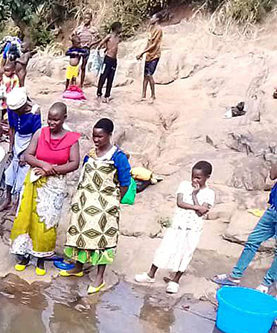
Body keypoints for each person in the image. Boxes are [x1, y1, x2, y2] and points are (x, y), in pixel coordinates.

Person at [10, 103, 81, 275]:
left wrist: (51, 170)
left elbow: (74, 163)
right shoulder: (40, 133)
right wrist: (43, 165)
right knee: (27, 218)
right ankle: (25, 255)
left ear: (64, 118)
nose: (52, 122)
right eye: (49, 118)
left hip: (54, 185)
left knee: (47, 221)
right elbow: (28, 155)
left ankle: (41, 258)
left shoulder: (71, 139)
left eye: (56, 119)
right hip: (34, 180)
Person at [62, 118, 132, 294]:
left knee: (103, 239)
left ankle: (99, 277)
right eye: (94, 136)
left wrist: (115, 201)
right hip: (85, 202)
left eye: (100, 136)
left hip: (105, 205)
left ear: (109, 135)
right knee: (80, 234)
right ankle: (78, 266)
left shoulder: (118, 157)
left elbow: (125, 182)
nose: (96, 140)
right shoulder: (90, 154)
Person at [135, 161, 214, 294]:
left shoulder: (209, 193)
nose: (194, 180)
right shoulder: (184, 185)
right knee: (165, 248)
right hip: (178, 225)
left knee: (185, 252)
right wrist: (197, 206)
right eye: (193, 176)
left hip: (193, 229)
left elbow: (201, 213)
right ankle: (150, 275)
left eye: (198, 178)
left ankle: (175, 280)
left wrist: (195, 195)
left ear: (208, 177)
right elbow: (180, 203)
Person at [213, 161, 277, 294]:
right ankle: (235, 276)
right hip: (273, 210)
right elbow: (272, 175)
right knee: (253, 240)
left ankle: (266, 284)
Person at [0, 88, 42, 212]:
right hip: (17, 140)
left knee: (22, 173)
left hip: (30, 141)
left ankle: (17, 202)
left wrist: (27, 153)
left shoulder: (34, 112)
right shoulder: (11, 109)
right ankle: (7, 199)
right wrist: (11, 148)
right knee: (10, 172)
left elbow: (36, 134)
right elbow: (12, 129)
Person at [136, 13, 163, 102]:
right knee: (145, 76)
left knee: (149, 75)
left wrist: (143, 52)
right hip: (148, 55)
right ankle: (143, 95)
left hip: (155, 55)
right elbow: (148, 43)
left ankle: (153, 95)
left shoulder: (159, 30)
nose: (151, 19)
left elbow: (154, 44)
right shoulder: (151, 29)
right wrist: (143, 53)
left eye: (152, 17)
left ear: (157, 19)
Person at [96, 22, 122, 103]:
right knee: (103, 76)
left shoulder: (119, 38)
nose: (122, 29)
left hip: (114, 60)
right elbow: (100, 44)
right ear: (117, 28)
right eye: (120, 28)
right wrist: (100, 53)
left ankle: (107, 95)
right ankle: (99, 93)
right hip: (107, 59)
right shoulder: (109, 36)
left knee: (111, 78)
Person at [72, 10, 99, 87]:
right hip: (78, 49)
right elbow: (71, 36)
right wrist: (75, 43)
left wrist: (91, 44)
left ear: (91, 19)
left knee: (83, 66)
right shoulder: (79, 29)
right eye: (84, 18)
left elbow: (99, 39)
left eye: (87, 18)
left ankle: (81, 84)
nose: (85, 20)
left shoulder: (93, 29)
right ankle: (73, 82)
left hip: (86, 49)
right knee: (74, 65)